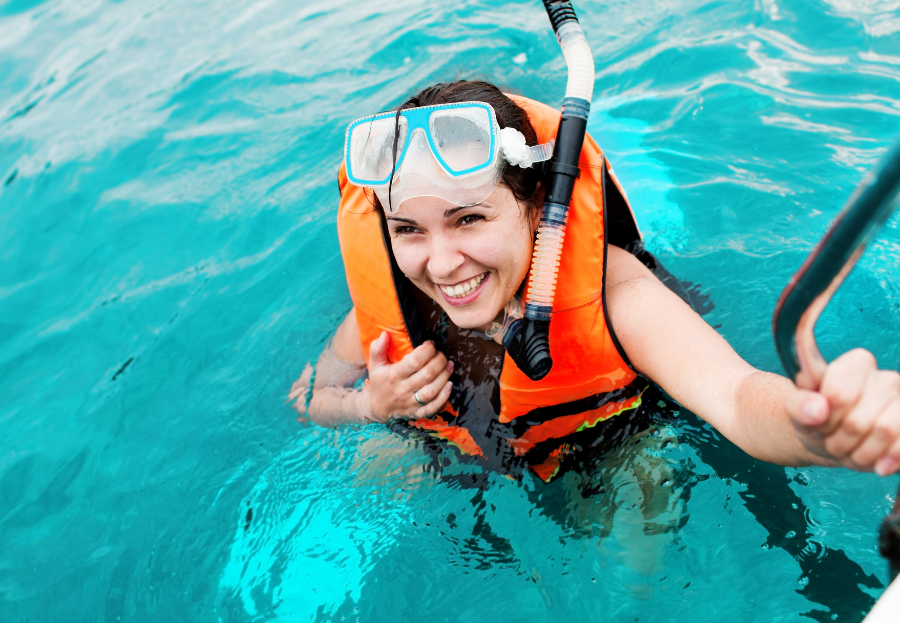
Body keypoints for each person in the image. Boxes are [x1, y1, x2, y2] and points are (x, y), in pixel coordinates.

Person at [290, 79, 900, 484]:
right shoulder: (402, 302)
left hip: (611, 442)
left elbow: (736, 397)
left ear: (534, 208)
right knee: (367, 483)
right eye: (408, 231)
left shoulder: (617, 295)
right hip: (464, 440)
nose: (442, 265)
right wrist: (369, 404)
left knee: (632, 552)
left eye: (469, 218)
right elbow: (307, 396)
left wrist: (819, 429)